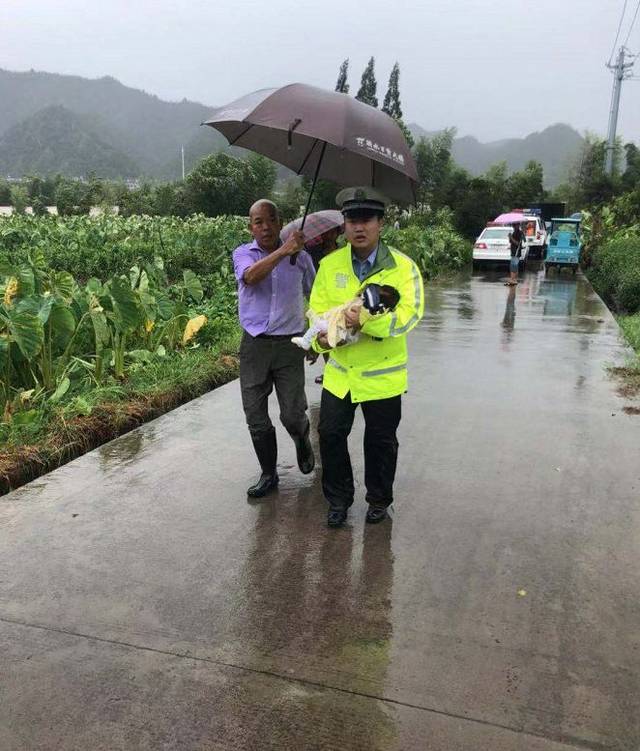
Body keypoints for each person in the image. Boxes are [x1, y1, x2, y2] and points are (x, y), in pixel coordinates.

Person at [309, 187, 424, 528]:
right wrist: (324, 336)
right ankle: (339, 499)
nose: (359, 227)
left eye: (367, 220)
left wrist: (367, 320)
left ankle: (378, 499)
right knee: (329, 435)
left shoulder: (403, 267)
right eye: (352, 220)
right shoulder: (330, 265)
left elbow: (411, 314)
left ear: (381, 223)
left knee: (380, 442)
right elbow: (316, 310)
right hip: (341, 373)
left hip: (382, 377)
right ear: (343, 225)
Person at [232, 199, 316, 499]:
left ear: (281, 223)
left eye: (271, 219)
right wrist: (283, 252)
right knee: (255, 415)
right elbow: (251, 277)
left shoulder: (302, 259)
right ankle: (269, 474)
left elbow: (317, 297)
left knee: (292, 414)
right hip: (254, 344)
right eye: (258, 221)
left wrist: (316, 337)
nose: (265, 226)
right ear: (250, 227)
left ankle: (302, 438)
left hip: (290, 344)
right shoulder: (243, 253)